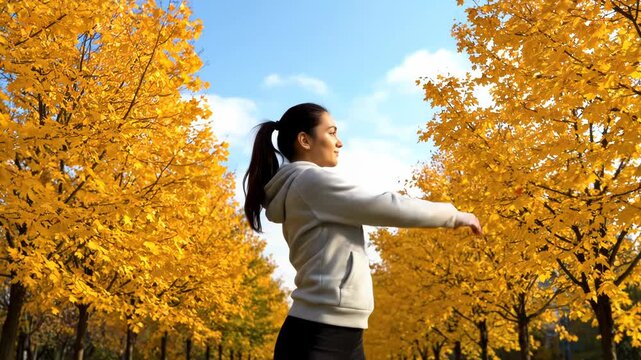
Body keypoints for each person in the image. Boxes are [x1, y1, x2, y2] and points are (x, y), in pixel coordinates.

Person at [243, 103, 482, 360]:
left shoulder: (304, 185)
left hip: (338, 332)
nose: (339, 142)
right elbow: (386, 206)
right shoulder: (311, 182)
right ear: (305, 140)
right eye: (331, 132)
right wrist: (454, 215)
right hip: (320, 335)